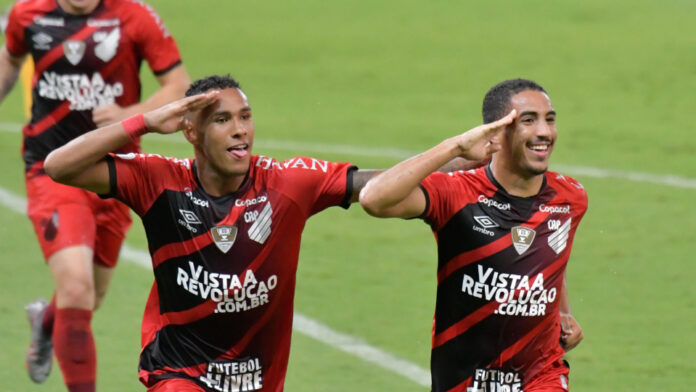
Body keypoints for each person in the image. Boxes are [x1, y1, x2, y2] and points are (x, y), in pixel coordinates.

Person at [42, 74, 390, 392]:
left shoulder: (289, 183)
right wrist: (143, 123)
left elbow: (380, 183)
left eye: (245, 116)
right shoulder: (158, 181)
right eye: (223, 120)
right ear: (191, 132)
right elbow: (59, 165)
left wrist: (444, 154)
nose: (240, 130)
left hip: (259, 380)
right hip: (177, 372)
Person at [0, 0, 189, 390]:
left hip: (115, 174)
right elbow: (10, 60)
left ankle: (46, 321)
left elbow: (178, 84)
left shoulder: (134, 16)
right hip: (51, 169)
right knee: (76, 286)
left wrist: (132, 113)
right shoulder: (27, 14)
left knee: (91, 296)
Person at [359, 78, 587, 392]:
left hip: (540, 375)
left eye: (549, 120)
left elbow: (548, 259)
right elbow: (374, 199)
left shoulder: (570, 197)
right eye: (528, 121)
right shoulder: (456, 193)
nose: (544, 133)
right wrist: (455, 147)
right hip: (464, 380)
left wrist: (563, 313)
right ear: (497, 131)